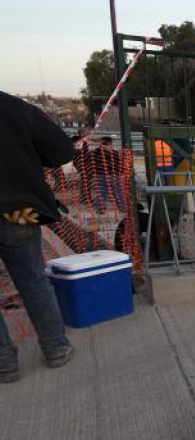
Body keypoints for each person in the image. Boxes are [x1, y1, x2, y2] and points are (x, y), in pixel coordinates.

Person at [0, 91, 75, 383]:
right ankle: (56, 348)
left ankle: (5, 365)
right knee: (32, 282)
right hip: (16, 212)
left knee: (33, 282)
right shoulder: (15, 109)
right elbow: (61, 151)